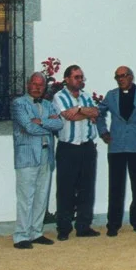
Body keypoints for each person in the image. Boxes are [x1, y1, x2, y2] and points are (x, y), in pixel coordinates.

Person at [96, 65, 136, 237]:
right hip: (116, 147)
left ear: (131, 77)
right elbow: (98, 113)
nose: (121, 79)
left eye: (124, 76)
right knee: (115, 186)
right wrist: (103, 131)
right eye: (117, 77)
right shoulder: (111, 96)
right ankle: (113, 224)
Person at [11, 72, 63, 249]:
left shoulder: (48, 104)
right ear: (28, 85)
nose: (37, 87)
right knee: (26, 197)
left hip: (46, 155)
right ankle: (21, 236)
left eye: (41, 85)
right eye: (34, 84)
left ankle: (36, 232)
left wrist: (40, 121)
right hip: (26, 156)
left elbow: (59, 124)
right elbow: (28, 127)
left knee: (42, 195)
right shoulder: (19, 103)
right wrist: (48, 123)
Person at [53, 64, 100, 240]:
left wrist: (80, 110)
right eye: (76, 77)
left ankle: (83, 226)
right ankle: (63, 228)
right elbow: (68, 116)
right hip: (68, 148)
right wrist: (84, 113)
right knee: (66, 188)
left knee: (87, 188)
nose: (80, 80)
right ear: (67, 79)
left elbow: (95, 111)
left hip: (87, 147)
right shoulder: (59, 96)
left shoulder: (86, 96)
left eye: (81, 77)